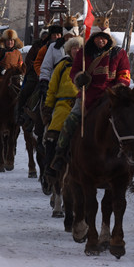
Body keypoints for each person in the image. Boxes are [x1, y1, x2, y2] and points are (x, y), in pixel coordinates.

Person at [49, 22, 134, 173]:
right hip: (88, 96)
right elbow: (74, 71)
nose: (101, 41)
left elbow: (125, 74)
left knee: (131, 120)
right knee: (70, 122)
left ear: (108, 38)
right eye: (98, 38)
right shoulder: (83, 54)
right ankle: (60, 154)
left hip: (113, 97)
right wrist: (79, 78)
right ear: (93, 38)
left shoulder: (119, 53)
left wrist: (118, 87)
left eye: (104, 38)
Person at [42, 35, 83, 182]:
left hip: (83, 103)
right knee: (53, 133)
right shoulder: (62, 65)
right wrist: (48, 108)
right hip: (63, 105)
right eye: (74, 48)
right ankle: (50, 166)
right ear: (69, 50)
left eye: (79, 48)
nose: (76, 50)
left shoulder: (87, 65)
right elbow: (52, 88)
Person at [16, 28, 50, 126]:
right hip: (35, 75)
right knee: (25, 92)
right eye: (44, 35)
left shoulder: (55, 46)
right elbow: (29, 60)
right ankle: (20, 113)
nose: (45, 37)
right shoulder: (36, 46)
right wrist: (34, 65)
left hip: (51, 75)